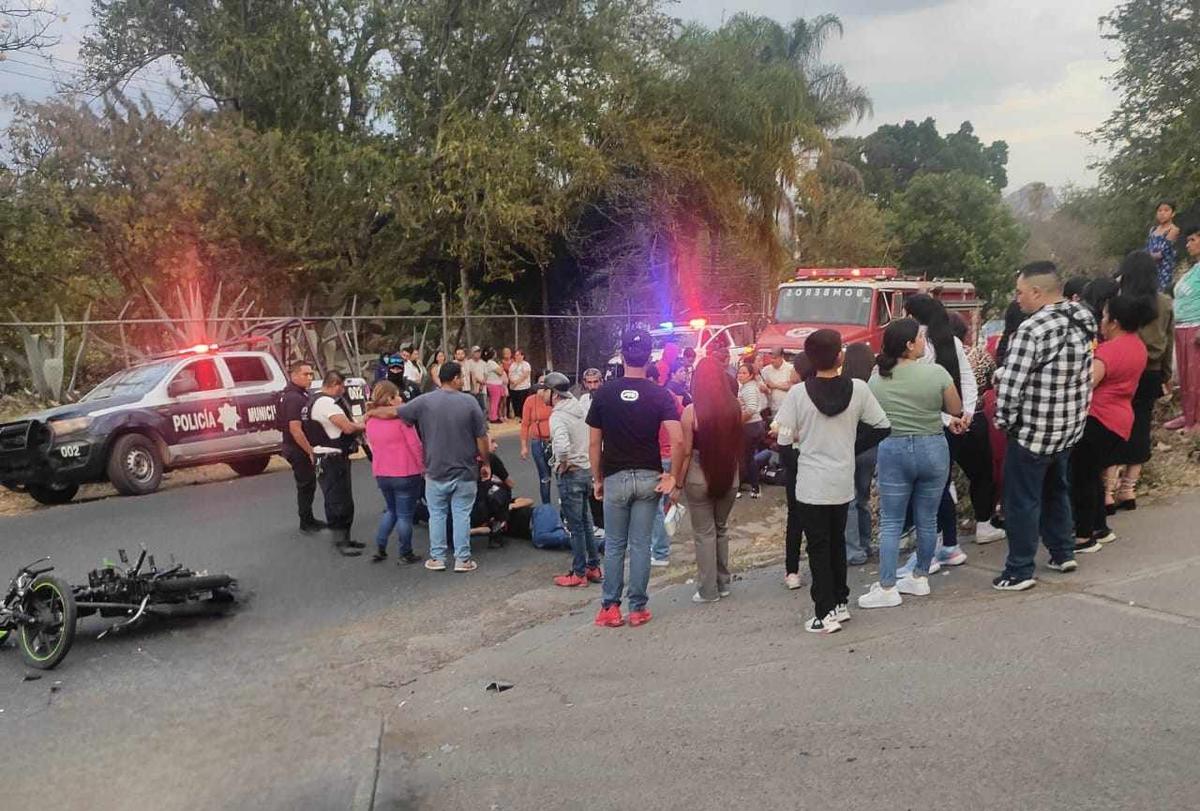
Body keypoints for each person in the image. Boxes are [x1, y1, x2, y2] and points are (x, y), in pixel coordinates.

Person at [992, 261, 1096, 591]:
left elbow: (1011, 387)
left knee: (1021, 501)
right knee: (1056, 490)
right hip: (1068, 427)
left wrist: (1005, 421)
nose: (1017, 298)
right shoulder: (1083, 318)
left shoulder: (1031, 330)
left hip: (1033, 432)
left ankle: (1019, 570)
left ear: (1037, 292)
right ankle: (1063, 552)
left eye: (1020, 291)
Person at [776, 331, 890, 632]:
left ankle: (823, 612)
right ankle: (840, 603)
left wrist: (799, 465)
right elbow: (882, 427)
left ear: (809, 359)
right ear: (840, 356)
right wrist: (850, 447)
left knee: (818, 546)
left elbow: (784, 442)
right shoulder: (859, 389)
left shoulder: (798, 395)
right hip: (842, 477)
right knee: (837, 540)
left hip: (811, 481)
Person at [858, 320, 964, 609]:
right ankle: (919, 577)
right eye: (920, 337)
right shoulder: (937, 373)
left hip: (894, 448)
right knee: (927, 519)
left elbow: (871, 417)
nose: (924, 342)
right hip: (933, 447)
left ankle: (888, 585)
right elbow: (955, 409)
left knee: (892, 522)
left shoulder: (877, 379)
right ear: (909, 344)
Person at [588, 329, 683, 629]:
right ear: (649, 356)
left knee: (616, 544)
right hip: (648, 477)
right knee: (641, 544)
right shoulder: (661, 394)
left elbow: (593, 443)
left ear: (623, 354)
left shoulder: (604, 393)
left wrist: (597, 478)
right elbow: (678, 441)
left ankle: (610, 608)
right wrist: (673, 478)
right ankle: (638, 608)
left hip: (615, 476)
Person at [371, 361, 490, 573]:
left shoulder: (424, 401)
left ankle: (438, 557)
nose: (462, 381)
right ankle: (463, 559)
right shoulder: (470, 402)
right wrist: (486, 462)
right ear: (454, 379)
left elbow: (393, 413)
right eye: (461, 377)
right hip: (464, 469)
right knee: (462, 514)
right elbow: (482, 437)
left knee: (437, 514)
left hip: (435, 470)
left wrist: (370, 413)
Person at [901, 294, 980, 568]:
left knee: (928, 490)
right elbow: (968, 380)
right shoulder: (952, 342)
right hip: (956, 423)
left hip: (933, 426)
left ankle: (929, 551)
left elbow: (920, 396)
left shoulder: (921, 350)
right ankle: (950, 545)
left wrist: (949, 419)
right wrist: (965, 413)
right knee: (941, 486)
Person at [1071, 296, 1152, 555]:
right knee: (1093, 472)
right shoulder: (1138, 346)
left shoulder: (1108, 351)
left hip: (1099, 418)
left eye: (1104, 317)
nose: (1101, 322)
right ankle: (1099, 527)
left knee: (1082, 476)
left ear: (1114, 322)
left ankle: (1083, 536)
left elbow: (1086, 384)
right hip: (1122, 418)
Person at [674, 358, 743, 604]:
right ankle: (724, 583)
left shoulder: (691, 413)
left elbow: (685, 451)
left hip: (698, 474)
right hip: (729, 473)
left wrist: (677, 482)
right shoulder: (736, 407)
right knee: (721, 528)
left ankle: (708, 590)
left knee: (704, 533)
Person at [1109, 251, 1174, 509]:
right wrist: (1165, 375)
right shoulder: (1165, 303)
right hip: (1151, 372)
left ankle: (1107, 492)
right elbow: (1168, 343)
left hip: (1122, 371)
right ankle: (1129, 490)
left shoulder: (1118, 302)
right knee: (1140, 427)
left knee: (1113, 428)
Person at [543, 371, 601, 588]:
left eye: (544, 391)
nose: (542, 396)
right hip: (586, 470)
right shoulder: (579, 409)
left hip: (572, 473)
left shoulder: (558, 416)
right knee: (587, 522)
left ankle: (579, 572)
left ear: (554, 394)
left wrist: (563, 463)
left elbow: (561, 445)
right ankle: (593, 565)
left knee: (574, 526)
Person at [950, 314, 1005, 543]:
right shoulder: (977, 355)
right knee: (981, 474)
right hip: (975, 420)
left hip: (943, 421)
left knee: (942, 479)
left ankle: (943, 532)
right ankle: (983, 523)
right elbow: (994, 381)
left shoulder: (931, 357)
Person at [301, 370, 368, 556]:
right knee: (338, 501)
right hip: (331, 458)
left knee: (341, 499)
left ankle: (345, 538)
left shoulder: (313, 401)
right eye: (342, 387)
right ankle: (341, 542)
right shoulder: (326, 403)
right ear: (336, 384)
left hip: (326, 456)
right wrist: (363, 425)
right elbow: (346, 427)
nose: (343, 391)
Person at [364, 381, 424, 564]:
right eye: (397, 395)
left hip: (382, 471)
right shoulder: (402, 420)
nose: (401, 398)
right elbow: (415, 446)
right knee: (405, 515)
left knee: (391, 510)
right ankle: (405, 552)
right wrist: (424, 466)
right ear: (390, 400)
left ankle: (380, 547)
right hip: (405, 470)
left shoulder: (371, 421)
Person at [776, 351, 813, 590]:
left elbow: (783, 438)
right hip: (821, 463)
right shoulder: (830, 391)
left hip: (797, 461)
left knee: (795, 518)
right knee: (819, 518)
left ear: (798, 372)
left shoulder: (795, 395)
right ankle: (821, 564)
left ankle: (792, 571)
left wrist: (792, 468)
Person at [840, 343, 879, 565]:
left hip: (848, 447)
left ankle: (853, 551)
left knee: (850, 501)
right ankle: (866, 544)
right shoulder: (873, 385)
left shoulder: (844, 386)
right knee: (863, 500)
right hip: (871, 448)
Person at [279, 361, 324, 534]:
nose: (310, 378)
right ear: (294, 375)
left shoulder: (299, 394)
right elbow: (295, 429)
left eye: (311, 374)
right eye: (306, 374)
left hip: (296, 446)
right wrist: (310, 451)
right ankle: (306, 522)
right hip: (297, 448)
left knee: (309, 483)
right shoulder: (293, 398)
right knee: (305, 484)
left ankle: (309, 518)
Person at [1165, 226, 1200, 431]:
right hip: (1182, 326)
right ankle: (1188, 415)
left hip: (1196, 327)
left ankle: (1196, 421)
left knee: (1197, 376)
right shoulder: (1194, 268)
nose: (1188, 245)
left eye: (1192, 240)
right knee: (1185, 376)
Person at [520, 378, 555, 504]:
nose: (542, 390)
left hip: (554, 442)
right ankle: (547, 507)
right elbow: (525, 424)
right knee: (544, 477)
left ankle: (565, 509)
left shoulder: (555, 399)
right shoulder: (530, 401)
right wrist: (524, 446)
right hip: (538, 441)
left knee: (561, 475)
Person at [737, 362, 767, 499]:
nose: (740, 375)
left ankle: (752, 487)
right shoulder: (746, 387)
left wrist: (739, 421)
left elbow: (751, 408)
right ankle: (752, 486)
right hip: (753, 425)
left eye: (744, 373)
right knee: (747, 457)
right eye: (739, 372)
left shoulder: (749, 388)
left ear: (751, 375)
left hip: (751, 426)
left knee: (746, 458)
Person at [1147, 201, 1181, 291]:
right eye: (1160, 210)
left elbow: (1161, 253)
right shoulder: (1153, 230)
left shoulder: (1173, 230)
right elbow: (1148, 247)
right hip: (1150, 269)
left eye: (1166, 210)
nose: (1162, 213)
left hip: (1164, 271)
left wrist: (1145, 256)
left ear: (1173, 213)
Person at [760, 347, 797, 418]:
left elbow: (793, 387)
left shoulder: (790, 369)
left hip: (788, 408)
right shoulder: (766, 370)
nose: (772, 361)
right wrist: (765, 388)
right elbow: (765, 386)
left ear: (782, 357)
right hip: (772, 408)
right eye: (771, 358)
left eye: (775, 358)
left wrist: (775, 386)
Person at [482, 347, 507, 424]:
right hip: (494, 384)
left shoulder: (489, 363)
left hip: (493, 384)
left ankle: (494, 416)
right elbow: (500, 372)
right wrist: (501, 366)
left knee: (494, 401)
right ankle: (493, 417)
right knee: (494, 401)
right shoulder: (491, 363)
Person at [507, 349, 533, 419]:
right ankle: (517, 415)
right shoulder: (512, 365)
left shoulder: (526, 364)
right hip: (513, 388)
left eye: (518, 355)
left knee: (522, 403)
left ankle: (523, 416)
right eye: (516, 355)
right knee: (515, 402)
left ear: (522, 356)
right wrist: (512, 381)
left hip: (523, 387)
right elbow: (510, 374)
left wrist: (517, 382)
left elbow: (525, 375)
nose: (517, 357)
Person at [464, 346, 488, 414]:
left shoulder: (483, 363)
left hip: (482, 388)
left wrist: (483, 383)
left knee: (483, 407)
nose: (478, 354)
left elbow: (486, 375)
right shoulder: (468, 362)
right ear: (472, 353)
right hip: (473, 389)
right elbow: (471, 374)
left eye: (479, 352)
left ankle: (483, 423)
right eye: (476, 352)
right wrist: (479, 381)